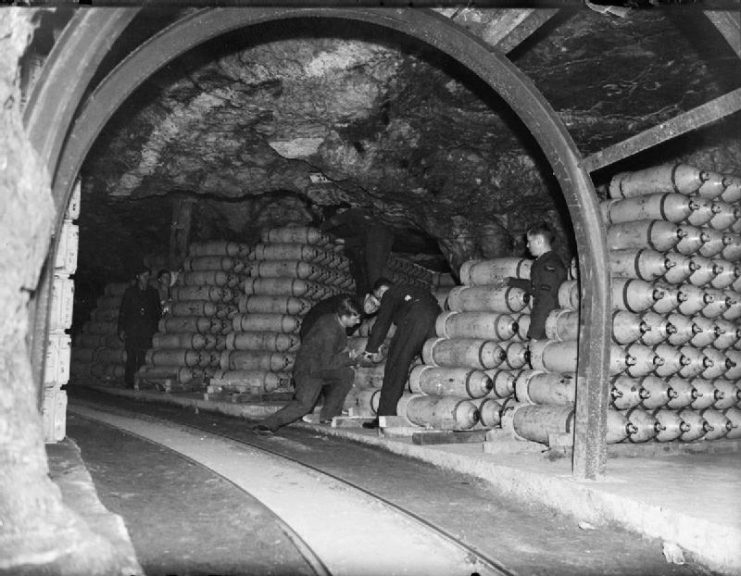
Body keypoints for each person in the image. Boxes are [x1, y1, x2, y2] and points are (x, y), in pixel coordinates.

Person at [253, 296, 363, 434]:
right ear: (345, 316)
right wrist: (350, 357)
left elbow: (332, 355)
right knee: (304, 404)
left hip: (319, 367)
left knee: (346, 374)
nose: (358, 321)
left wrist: (350, 359)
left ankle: (329, 416)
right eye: (356, 318)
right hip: (309, 371)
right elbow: (328, 362)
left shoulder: (335, 321)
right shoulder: (329, 330)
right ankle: (267, 425)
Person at [360, 278, 441, 429]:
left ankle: (385, 416)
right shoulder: (410, 289)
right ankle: (432, 413)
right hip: (436, 319)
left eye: (379, 296)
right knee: (428, 366)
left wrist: (370, 350)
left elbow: (382, 324)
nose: (379, 301)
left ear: (381, 291)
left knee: (395, 365)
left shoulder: (390, 294)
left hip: (416, 318)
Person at [506, 223, 567, 341]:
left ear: (539, 241)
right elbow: (535, 287)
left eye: (529, 241)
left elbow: (546, 300)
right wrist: (511, 281)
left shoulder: (549, 265)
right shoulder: (543, 262)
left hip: (549, 326)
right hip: (546, 323)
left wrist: (535, 334)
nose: (527, 245)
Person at [117, 266, 161, 388]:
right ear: (138, 277)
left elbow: (157, 312)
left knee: (143, 356)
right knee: (131, 356)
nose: (146, 279)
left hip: (147, 330)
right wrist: (121, 329)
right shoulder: (130, 292)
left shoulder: (153, 293)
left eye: (148, 276)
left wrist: (156, 328)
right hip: (132, 329)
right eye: (143, 276)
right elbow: (123, 312)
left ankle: (141, 381)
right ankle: (129, 382)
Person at [299, 291, 380, 340]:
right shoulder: (349, 303)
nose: (373, 308)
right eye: (372, 302)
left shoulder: (360, 314)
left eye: (377, 307)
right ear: (367, 296)